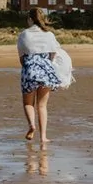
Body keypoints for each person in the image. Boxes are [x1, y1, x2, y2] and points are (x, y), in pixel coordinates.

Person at [16, 8, 69, 143]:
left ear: (30, 19)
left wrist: (28, 66)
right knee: (42, 105)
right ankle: (43, 136)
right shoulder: (49, 35)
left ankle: (31, 125)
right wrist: (45, 65)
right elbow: (53, 54)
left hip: (29, 69)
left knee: (28, 103)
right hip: (46, 70)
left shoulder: (24, 35)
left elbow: (21, 57)